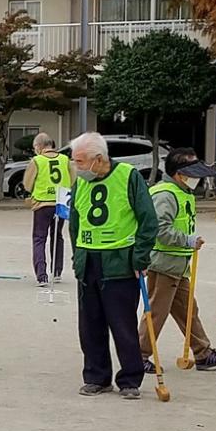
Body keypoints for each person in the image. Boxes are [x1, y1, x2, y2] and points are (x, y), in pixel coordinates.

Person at [68, 132, 158, 399]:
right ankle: (96, 376)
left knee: (123, 325)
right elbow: (75, 222)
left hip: (120, 262)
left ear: (99, 159)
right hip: (89, 261)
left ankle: (130, 379)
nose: (77, 167)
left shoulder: (128, 176)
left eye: (81, 161)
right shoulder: (81, 183)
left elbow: (148, 220)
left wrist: (140, 257)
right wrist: (77, 258)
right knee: (90, 325)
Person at [140, 149, 216, 371]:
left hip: (177, 264)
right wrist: (187, 240)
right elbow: (160, 230)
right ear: (180, 175)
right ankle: (139, 355)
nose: (197, 178)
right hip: (164, 263)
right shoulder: (165, 194)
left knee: (188, 309)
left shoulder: (180, 192)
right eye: (193, 173)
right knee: (156, 312)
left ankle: (203, 352)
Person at [26, 132, 72, 286]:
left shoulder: (37, 161)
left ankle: (41, 275)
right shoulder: (65, 159)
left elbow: (27, 184)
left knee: (39, 238)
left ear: (39, 146)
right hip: (60, 203)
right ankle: (57, 271)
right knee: (57, 236)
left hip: (42, 203)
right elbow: (73, 179)